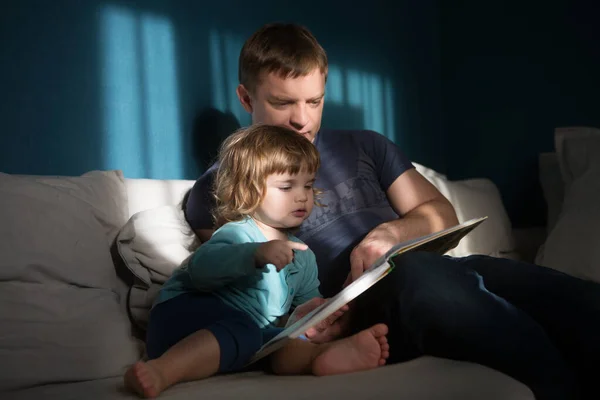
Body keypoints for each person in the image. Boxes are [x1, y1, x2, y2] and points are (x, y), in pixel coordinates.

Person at [184, 22, 600, 400]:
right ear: (245, 97)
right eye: (283, 103)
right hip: (366, 309)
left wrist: (390, 235)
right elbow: (244, 293)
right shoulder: (221, 185)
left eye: (314, 101)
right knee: (417, 275)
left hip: (445, 272)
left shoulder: (367, 145)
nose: (302, 120)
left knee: (573, 297)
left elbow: (440, 213)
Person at [124, 124, 390, 398]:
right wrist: (254, 254)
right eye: (287, 186)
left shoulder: (304, 256)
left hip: (241, 338)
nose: (302, 196)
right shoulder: (239, 232)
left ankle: (321, 357)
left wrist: (314, 315)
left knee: (278, 342)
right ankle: (160, 371)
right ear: (248, 191)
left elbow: (298, 313)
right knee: (247, 331)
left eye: (308, 185)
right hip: (180, 318)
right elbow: (201, 270)